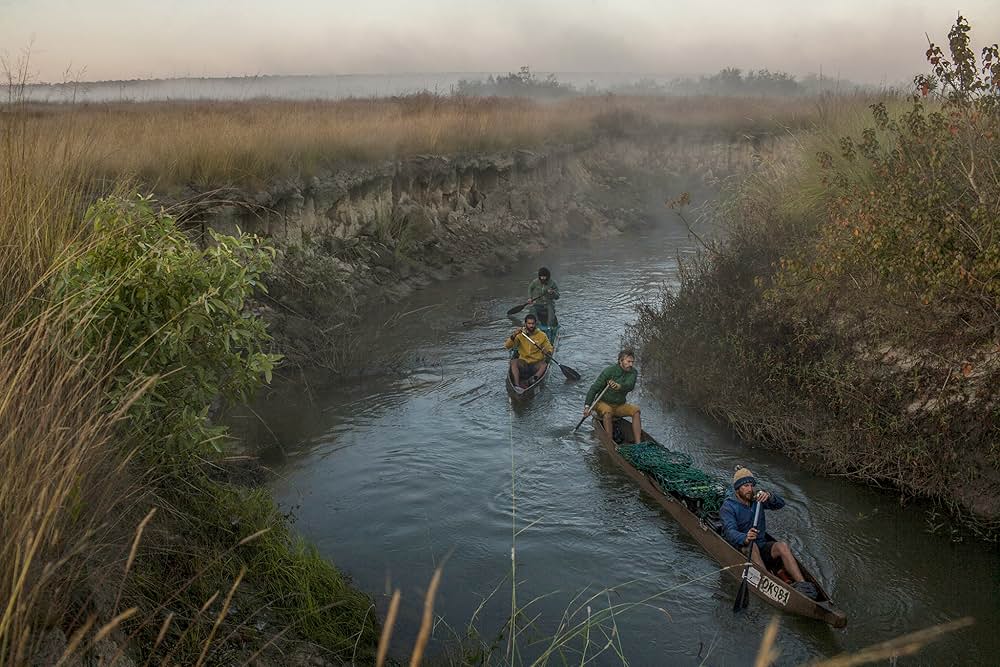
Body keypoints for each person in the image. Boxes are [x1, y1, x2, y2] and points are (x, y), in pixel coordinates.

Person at [720, 467, 818, 600]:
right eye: (745, 486)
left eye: (751, 485)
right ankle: (768, 580)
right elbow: (729, 532)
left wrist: (770, 496)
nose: (750, 489)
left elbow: (780, 504)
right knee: (752, 547)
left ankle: (803, 585)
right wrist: (746, 537)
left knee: (782, 546)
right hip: (742, 546)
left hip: (761, 544)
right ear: (737, 489)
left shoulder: (757, 500)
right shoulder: (728, 506)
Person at [583, 349, 641, 444]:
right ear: (620, 361)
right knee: (608, 412)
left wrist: (619, 386)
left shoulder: (633, 372)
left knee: (636, 411)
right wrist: (587, 407)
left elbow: (630, 386)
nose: (631, 364)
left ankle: (638, 443)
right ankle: (610, 443)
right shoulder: (609, 371)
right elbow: (594, 389)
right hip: (602, 403)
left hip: (619, 405)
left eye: (632, 362)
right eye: (628, 361)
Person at [504, 313, 552, 387]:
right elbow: (507, 346)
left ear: (535, 324)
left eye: (533, 323)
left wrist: (547, 352)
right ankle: (517, 385)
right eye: (529, 323)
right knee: (513, 362)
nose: (531, 326)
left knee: (544, 365)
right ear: (525, 324)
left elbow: (549, 348)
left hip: (535, 365)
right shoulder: (520, 335)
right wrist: (514, 335)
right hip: (524, 364)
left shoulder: (542, 335)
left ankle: (532, 380)